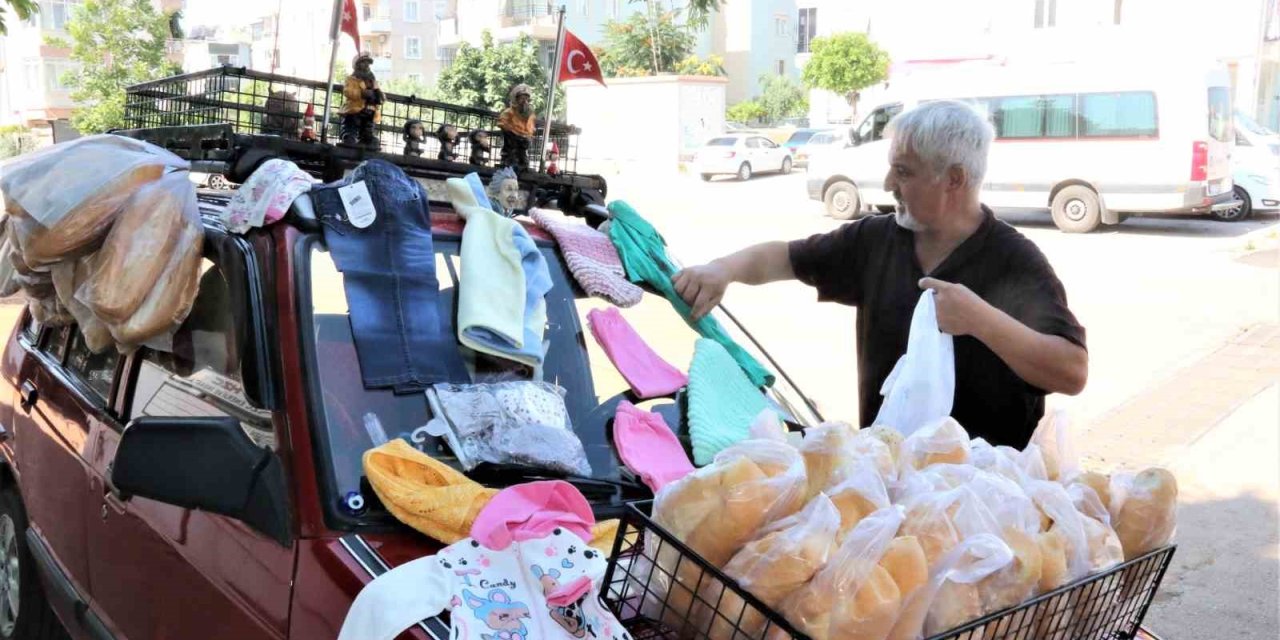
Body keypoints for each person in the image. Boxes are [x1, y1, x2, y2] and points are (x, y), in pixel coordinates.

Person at [672, 100, 1088, 448]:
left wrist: (979, 320)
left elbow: (1071, 372)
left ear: (954, 179)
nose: (889, 183)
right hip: (890, 483)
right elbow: (784, 258)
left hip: (982, 499)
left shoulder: (1014, 262)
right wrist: (722, 270)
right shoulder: (876, 240)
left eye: (904, 172)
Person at [339, 53, 384, 149]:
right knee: (351, 124)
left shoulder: (373, 81)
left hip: (370, 110)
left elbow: (379, 93)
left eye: (368, 63)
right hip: (355, 109)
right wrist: (361, 93)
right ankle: (348, 136)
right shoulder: (352, 79)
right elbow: (348, 91)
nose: (367, 65)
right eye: (363, 62)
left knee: (368, 127)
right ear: (357, 65)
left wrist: (379, 96)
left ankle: (367, 139)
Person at [497, 83, 537, 170]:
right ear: (516, 99)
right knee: (511, 151)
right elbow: (502, 122)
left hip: (524, 138)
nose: (524, 101)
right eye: (522, 98)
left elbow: (530, 126)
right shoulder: (510, 111)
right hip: (512, 136)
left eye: (526, 99)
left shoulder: (530, 114)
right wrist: (509, 130)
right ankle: (509, 162)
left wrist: (529, 134)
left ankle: (523, 165)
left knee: (522, 154)